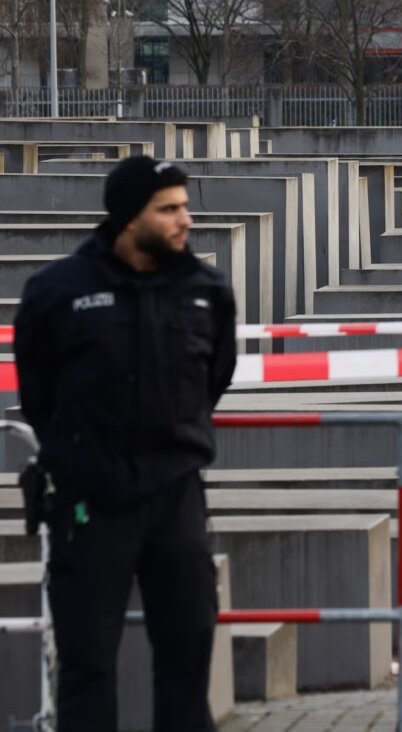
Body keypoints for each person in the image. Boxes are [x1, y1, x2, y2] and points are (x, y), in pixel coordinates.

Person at [14, 155, 237, 731]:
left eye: (185, 206)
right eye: (168, 209)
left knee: (188, 663)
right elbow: (40, 397)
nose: (185, 220)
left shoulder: (206, 290)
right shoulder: (56, 293)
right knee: (87, 669)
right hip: (90, 506)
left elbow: (213, 379)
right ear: (128, 218)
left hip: (176, 503)